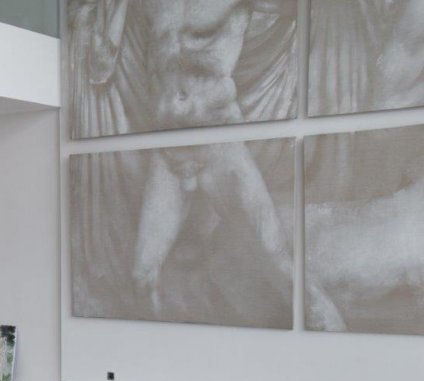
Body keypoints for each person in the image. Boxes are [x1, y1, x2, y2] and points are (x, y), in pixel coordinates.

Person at [80, 0, 344, 328]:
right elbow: (101, 60)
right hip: (168, 149)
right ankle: (158, 348)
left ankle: (337, 340)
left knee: (277, 261)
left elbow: (300, 8)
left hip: (217, 141)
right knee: (142, 276)